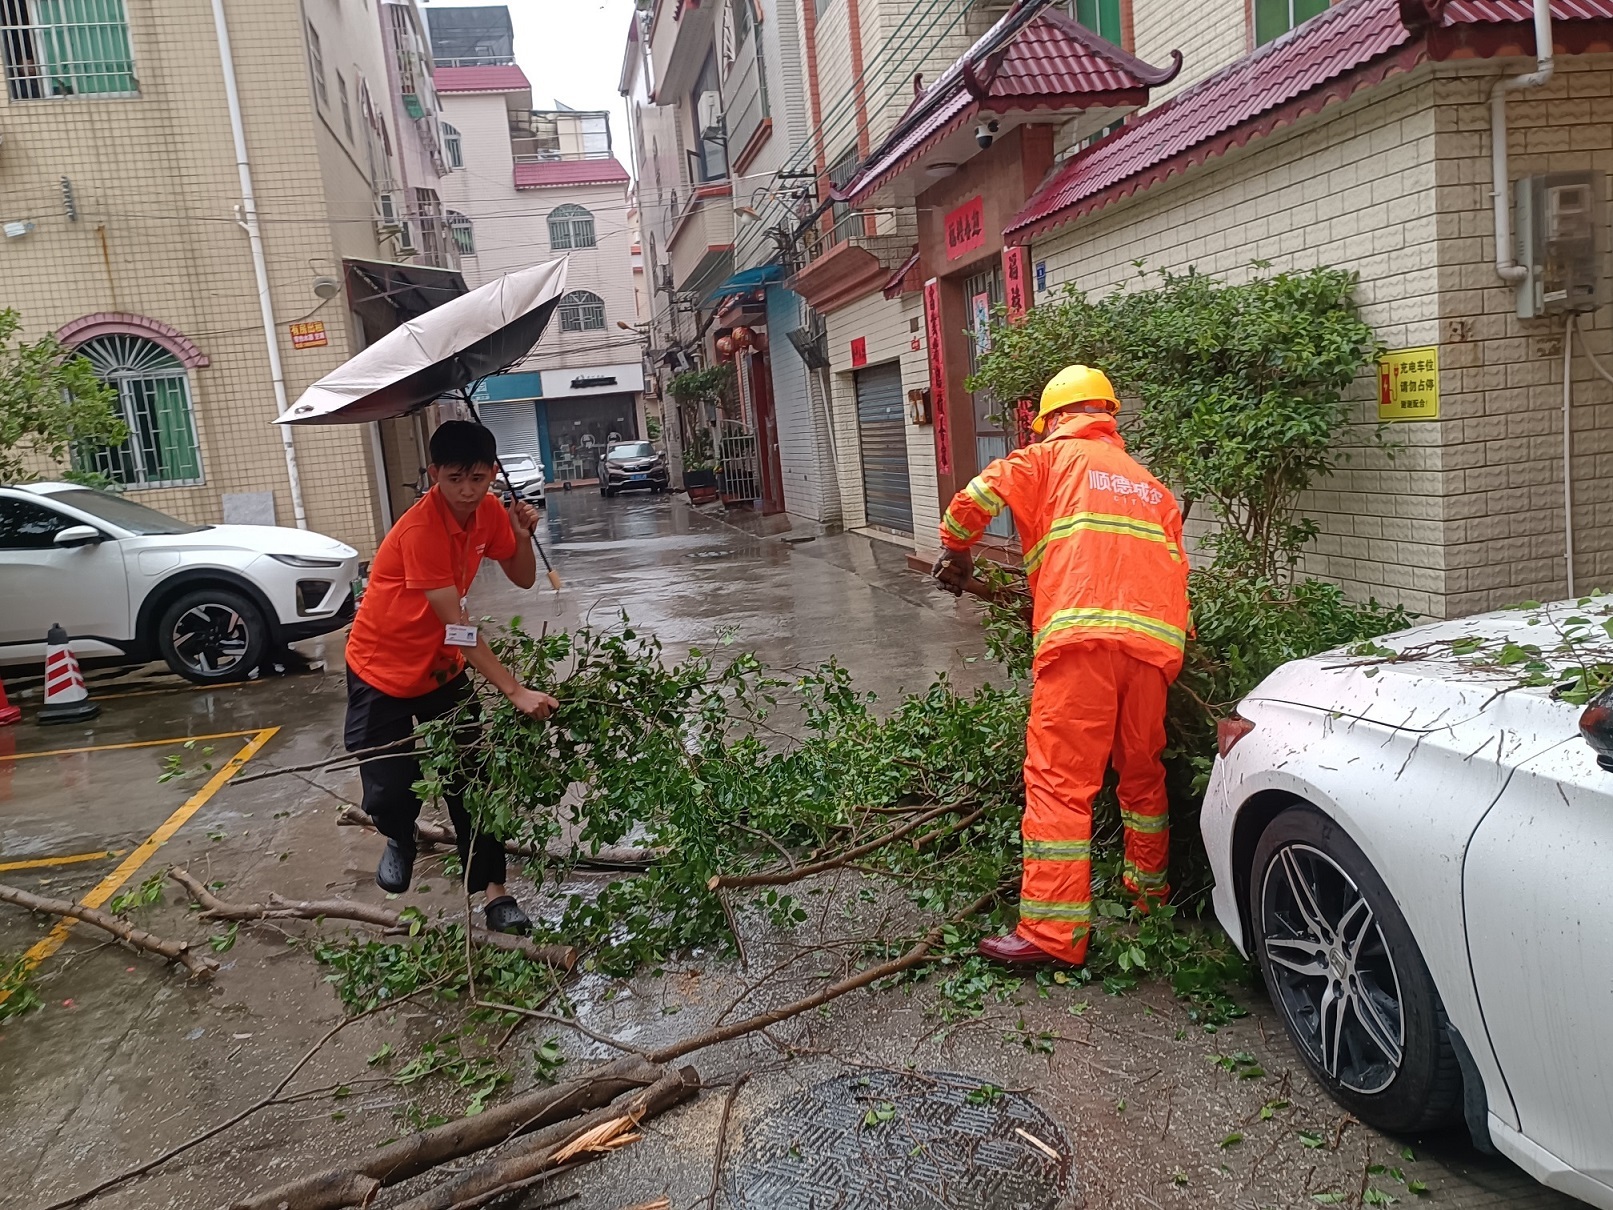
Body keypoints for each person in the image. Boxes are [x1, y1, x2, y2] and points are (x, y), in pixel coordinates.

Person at [934, 366, 1190, 968]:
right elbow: (1177, 571)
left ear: (1050, 420)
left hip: (1080, 647)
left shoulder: (1046, 460)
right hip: (1153, 651)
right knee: (1142, 775)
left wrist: (957, 555)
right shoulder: (1151, 487)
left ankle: (1053, 935)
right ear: (1107, 417)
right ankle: (1149, 899)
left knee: (1059, 783)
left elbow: (970, 502)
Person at [344, 420, 558, 935]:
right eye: (456, 478)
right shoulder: (420, 530)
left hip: (442, 670)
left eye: (479, 478)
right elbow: (458, 628)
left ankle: (495, 893)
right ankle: (399, 834)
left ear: (492, 476)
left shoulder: (487, 512)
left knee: (474, 781)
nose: (468, 490)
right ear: (434, 473)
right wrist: (515, 690)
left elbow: (523, 575)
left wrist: (523, 534)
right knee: (391, 788)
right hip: (381, 668)